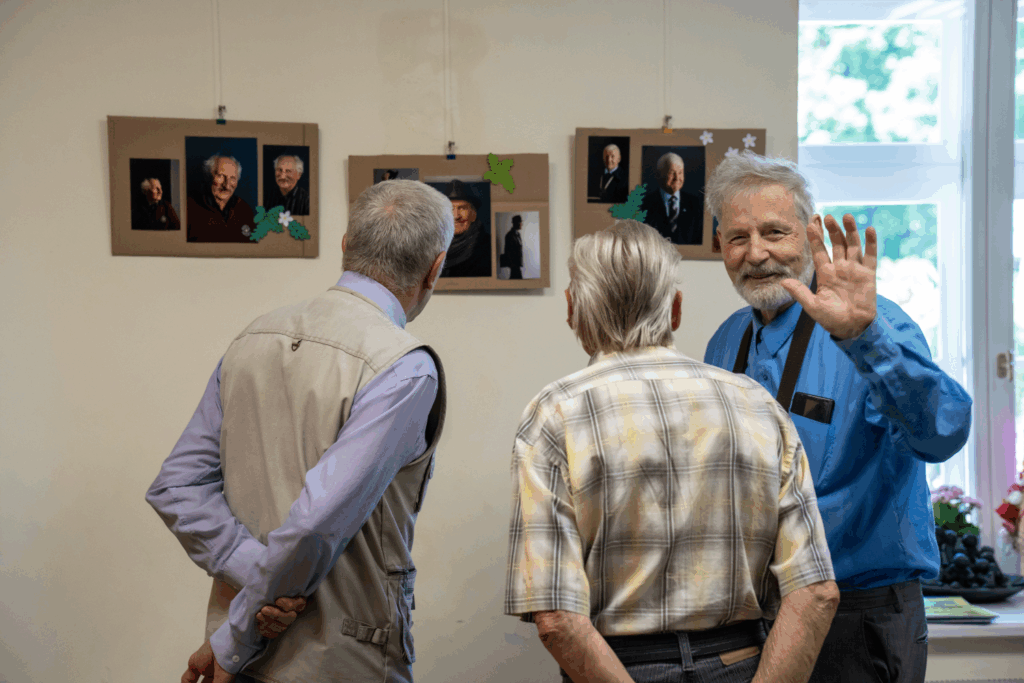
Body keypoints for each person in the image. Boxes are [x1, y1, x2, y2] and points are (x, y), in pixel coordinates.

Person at [146, 179, 454, 683]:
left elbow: (176, 485)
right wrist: (237, 638)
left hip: (239, 652)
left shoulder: (253, 337)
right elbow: (314, 524)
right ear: (435, 267)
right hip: (340, 659)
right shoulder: (403, 369)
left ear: (344, 246)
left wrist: (244, 593)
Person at [505, 219, 839, 683]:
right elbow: (817, 592)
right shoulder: (758, 405)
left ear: (573, 310)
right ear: (676, 309)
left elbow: (558, 618)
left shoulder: (555, 414)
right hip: (741, 662)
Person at [702, 152, 973, 683]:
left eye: (774, 232)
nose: (756, 254)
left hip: (859, 614)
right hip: (755, 617)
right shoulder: (725, 339)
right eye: (738, 238)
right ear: (719, 247)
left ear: (809, 233)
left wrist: (863, 339)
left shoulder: (874, 323)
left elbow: (942, 434)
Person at [187, 155, 256, 243]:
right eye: (220, 176)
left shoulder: (245, 210)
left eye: (232, 178)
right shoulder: (188, 208)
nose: (227, 186)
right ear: (208, 176)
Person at [640, 152, 703, 245]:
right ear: (659, 175)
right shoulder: (644, 204)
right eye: (672, 173)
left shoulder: (694, 203)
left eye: (680, 172)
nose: (677, 178)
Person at [439, 179, 491, 278]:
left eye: (462, 208)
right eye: (450, 209)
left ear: (473, 215)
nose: (456, 216)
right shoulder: (432, 247)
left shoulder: (487, 247)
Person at [502, 215, 524, 279]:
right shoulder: (509, 235)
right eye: (520, 222)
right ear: (516, 223)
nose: (521, 224)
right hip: (514, 265)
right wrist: (512, 265)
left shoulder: (518, 235)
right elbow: (507, 251)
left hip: (517, 264)